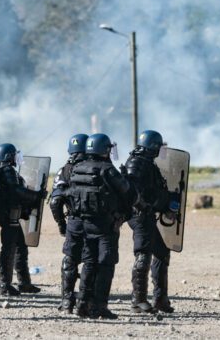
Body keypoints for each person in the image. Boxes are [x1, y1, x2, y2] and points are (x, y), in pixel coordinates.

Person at [67, 133, 134, 319]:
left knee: (89, 263)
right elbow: (129, 193)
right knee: (106, 264)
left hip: (84, 224)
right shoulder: (108, 170)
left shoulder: (78, 168)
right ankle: (99, 306)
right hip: (105, 226)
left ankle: (82, 304)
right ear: (105, 149)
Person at [124, 130, 180, 314]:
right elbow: (135, 193)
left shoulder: (147, 163)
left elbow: (153, 190)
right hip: (139, 215)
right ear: (153, 146)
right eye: (160, 146)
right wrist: (156, 203)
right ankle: (138, 300)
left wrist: (168, 200)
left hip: (147, 213)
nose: (161, 149)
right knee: (143, 254)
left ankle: (160, 299)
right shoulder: (136, 163)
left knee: (161, 252)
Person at [0, 143, 46, 296]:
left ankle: (24, 283)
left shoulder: (1, 170)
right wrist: (36, 196)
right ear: (8, 156)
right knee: (9, 249)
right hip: (8, 215)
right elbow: (16, 191)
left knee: (20, 247)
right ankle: (4, 284)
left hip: (9, 214)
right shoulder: (7, 170)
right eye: (14, 154)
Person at [49, 133, 88, 314]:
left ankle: (66, 301)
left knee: (70, 259)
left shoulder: (63, 170)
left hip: (73, 221)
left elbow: (55, 201)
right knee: (91, 260)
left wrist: (61, 224)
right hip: (93, 222)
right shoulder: (93, 168)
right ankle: (85, 301)